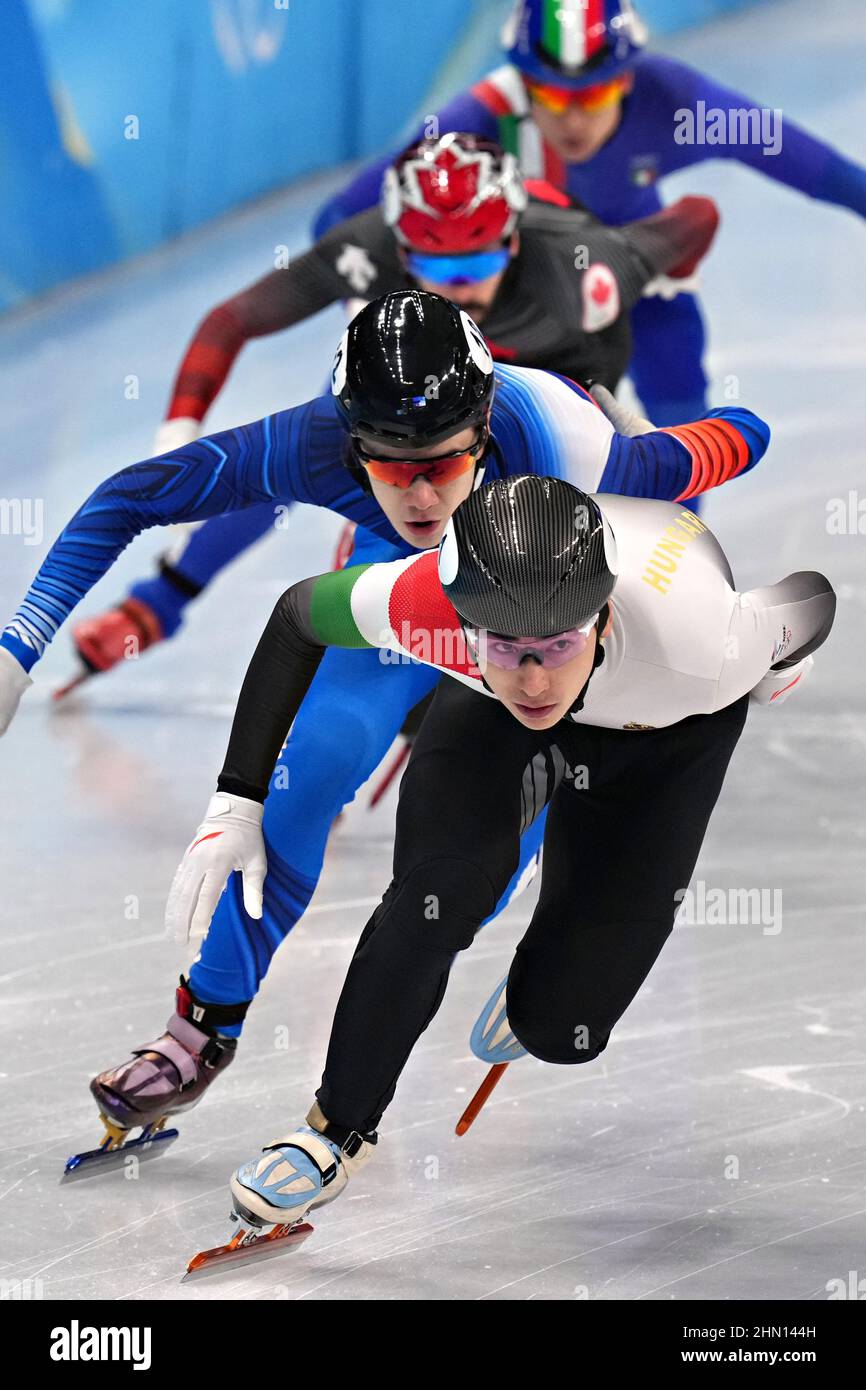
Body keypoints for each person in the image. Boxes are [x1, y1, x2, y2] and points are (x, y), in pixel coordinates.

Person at [0, 291, 768, 1153]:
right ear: (349, 440)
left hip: (517, 643)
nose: (417, 492)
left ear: (483, 431)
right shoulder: (314, 440)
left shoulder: (569, 446)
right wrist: (16, 647)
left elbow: (735, 437)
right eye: (387, 465)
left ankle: (546, 973)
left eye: (441, 464)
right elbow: (128, 498)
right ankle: (199, 1031)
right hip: (396, 600)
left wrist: (729, 609)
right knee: (317, 763)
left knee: (468, 870)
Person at [164, 474, 835, 1254]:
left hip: (667, 726)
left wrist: (775, 668)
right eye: (508, 648)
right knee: (431, 901)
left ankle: (539, 991)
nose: (535, 678)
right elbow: (295, 617)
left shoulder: (711, 643)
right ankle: (335, 1132)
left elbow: (810, 598)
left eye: (556, 646)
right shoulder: (422, 604)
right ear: (462, 623)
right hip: (493, 724)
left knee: (564, 1029)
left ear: (603, 615)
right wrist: (237, 801)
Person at [64, 132, 718, 683]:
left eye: (480, 257)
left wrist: (672, 271)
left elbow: (696, 217)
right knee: (300, 448)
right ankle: (159, 603)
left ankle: (675, 601)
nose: (459, 284)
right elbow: (232, 320)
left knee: (624, 476)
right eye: (436, 261)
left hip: (559, 372)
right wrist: (178, 427)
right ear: (401, 252)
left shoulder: (585, 261)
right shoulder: (364, 247)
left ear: (514, 241)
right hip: (418, 374)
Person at [314, 0, 866, 429]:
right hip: (516, 295)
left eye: (595, 94)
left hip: (636, 271)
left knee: (678, 416)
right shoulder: (478, 121)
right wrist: (372, 309)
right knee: (340, 425)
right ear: (524, 83)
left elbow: (817, 168)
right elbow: (337, 217)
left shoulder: (676, 102)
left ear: (627, 79)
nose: (574, 119)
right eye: (552, 98)